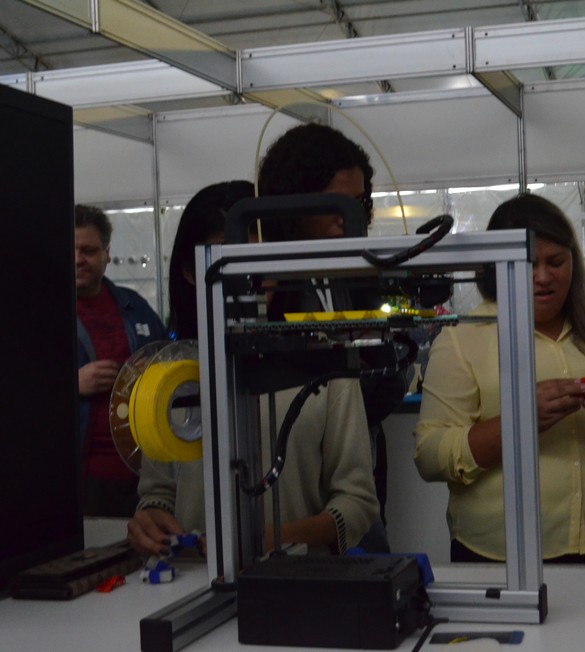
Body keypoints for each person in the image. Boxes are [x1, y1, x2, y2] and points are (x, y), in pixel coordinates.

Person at [127, 181, 380, 557]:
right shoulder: (172, 375)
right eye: (226, 259)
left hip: (298, 579)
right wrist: (150, 517)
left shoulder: (326, 365)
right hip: (193, 580)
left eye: (258, 259)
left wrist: (268, 539)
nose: (248, 279)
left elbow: (357, 502)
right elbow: (158, 491)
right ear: (190, 271)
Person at [414, 194, 585, 563]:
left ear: (573, 262)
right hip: (499, 556)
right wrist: (519, 420)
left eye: (556, 262)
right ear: (495, 268)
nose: (544, 277)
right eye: (528, 263)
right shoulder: (463, 339)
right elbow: (430, 456)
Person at [256, 123, 406, 548]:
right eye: (335, 203)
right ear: (294, 202)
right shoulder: (264, 283)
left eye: (359, 203)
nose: (348, 217)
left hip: (356, 483)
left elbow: (390, 376)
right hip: (291, 486)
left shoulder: (356, 272)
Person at [75, 204, 167, 517]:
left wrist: (152, 373)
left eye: (88, 251)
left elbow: (170, 357)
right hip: (80, 475)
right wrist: (73, 384)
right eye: (71, 250)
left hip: (143, 472)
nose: (78, 259)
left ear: (107, 253)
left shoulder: (134, 306)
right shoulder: (35, 314)